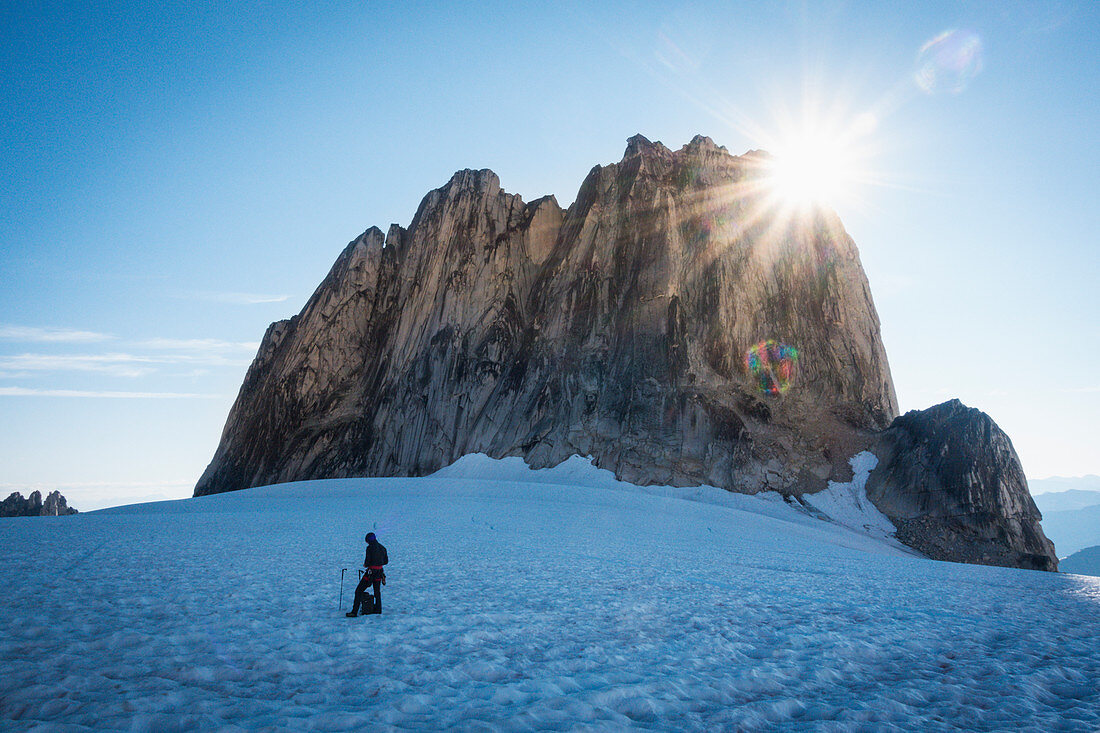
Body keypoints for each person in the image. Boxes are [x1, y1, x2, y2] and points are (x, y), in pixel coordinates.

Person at [347, 532, 388, 616]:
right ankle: (378, 610)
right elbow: (386, 561)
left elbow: (367, 562)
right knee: (377, 592)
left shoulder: (369, 548)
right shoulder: (383, 548)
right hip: (379, 572)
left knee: (358, 591)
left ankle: (354, 612)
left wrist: (366, 565)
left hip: (371, 573)